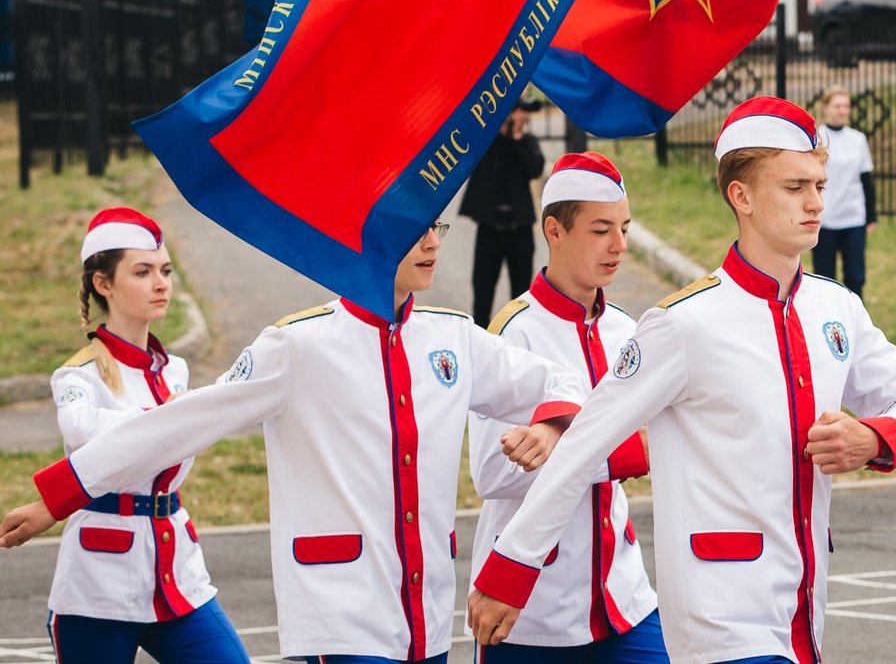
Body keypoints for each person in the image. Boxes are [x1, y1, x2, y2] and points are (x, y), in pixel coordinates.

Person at [469, 95, 896, 664]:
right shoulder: (683, 323)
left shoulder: (838, 308)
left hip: (804, 612)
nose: (815, 202)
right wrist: (512, 567)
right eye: (794, 187)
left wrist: (876, 436)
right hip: (720, 620)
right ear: (742, 196)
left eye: (818, 185)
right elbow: (583, 445)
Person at [2, 223, 583, 664]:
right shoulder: (297, 345)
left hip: (427, 610)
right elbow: (179, 423)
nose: (432, 242)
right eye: (415, 228)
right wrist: (60, 495)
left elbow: (560, 382)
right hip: (340, 608)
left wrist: (550, 425)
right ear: (364, 231)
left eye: (437, 226)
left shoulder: (453, 336)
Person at [472, 151, 666, 662]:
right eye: (601, 230)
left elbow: (663, 440)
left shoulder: (628, 329)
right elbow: (491, 472)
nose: (619, 245)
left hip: (623, 596)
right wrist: (621, 452)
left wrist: (563, 440)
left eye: (624, 228)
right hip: (532, 609)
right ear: (554, 230)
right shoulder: (512, 332)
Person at [40, 208, 249, 664]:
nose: (161, 284)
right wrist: (170, 417)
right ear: (104, 284)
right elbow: (83, 432)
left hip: (177, 574)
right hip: (99, 585)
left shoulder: (175, 371)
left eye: (166, 271)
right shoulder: (78, 375)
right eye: (142, 272)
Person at [463, 93, 547, 326]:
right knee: (482, 295)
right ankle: (480, 335)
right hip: (489, 229)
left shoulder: (527, 141)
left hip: (520, 228)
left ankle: (516, 337)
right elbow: (476, 164)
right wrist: (497, 129)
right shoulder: (486, 141)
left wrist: (517, 137)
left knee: (521, 297)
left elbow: (535, 169)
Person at [812, 86, 877, 296]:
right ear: (825, 108)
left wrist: (871, 216)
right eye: (837, 106)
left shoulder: (858, 139)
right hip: (825, 218)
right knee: (825, 277)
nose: (842, 111)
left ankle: (855, 313)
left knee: (855, 276)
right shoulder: (816, 138)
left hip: (853, 218)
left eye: (846, 106)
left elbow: (866, 179)